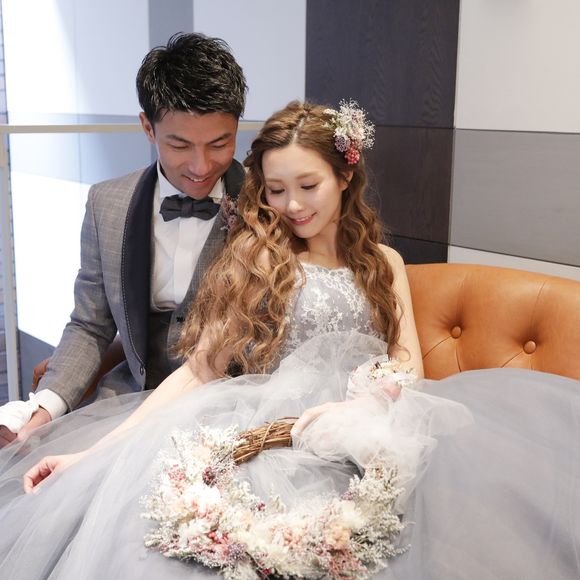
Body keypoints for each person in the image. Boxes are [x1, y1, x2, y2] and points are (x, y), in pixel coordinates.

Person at [0, 100, 579, 580]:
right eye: (276, 190)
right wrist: (91, 455)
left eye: (308, 185)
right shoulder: (258, 258)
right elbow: (201, 369)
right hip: (268, 432)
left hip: (372, 430)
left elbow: (407, 366)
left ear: (345, 177)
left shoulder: (385, 262)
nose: (293, 206)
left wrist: (366, 407)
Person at [0, 32, 248, 447]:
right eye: (180, 145)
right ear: (148, 127)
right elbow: (90, 323)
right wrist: (44, 409)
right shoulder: (106, 203)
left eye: (219, 143)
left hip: (234, 407)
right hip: (129, 402)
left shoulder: (268, 202)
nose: (201, 165)